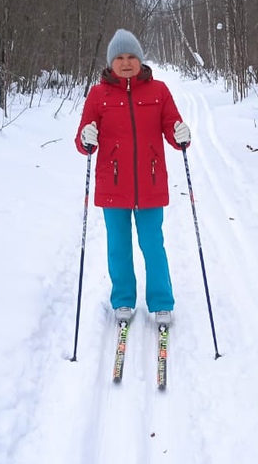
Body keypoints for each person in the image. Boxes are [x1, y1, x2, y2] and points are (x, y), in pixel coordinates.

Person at [75, 29, 191, 326]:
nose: (126, 63)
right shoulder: (98, 95)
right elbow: (83, 140)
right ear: (110, 63)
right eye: (119, 58)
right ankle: (123, 299)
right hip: (112, 184)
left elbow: (171, 128)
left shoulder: (159, 91)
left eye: (131, 57)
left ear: (140, 60)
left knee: (153, 244)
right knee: (119, 246)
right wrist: (87, 139)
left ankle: (162, 301)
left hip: (150, 183)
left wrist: (181, 136)